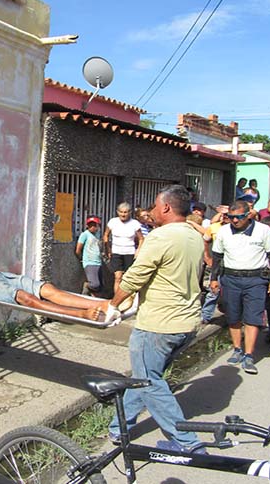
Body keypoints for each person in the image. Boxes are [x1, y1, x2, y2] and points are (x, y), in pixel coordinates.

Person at [106, 185, 206, 454]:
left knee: (148, 380)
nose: (150, 211)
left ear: (165, 208)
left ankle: (187, 442)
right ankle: (119, 427)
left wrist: (113, 305)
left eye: (153, 205)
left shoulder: (161, 237)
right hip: (186, 322)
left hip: (159, 325)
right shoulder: (195, 236)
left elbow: (135, 276)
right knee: (144, 376)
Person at [210, 200, 270, 375]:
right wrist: (213, 278)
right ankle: (237, 349)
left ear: (249, 215)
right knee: (233, 316)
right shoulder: (224, 231)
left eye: (239, 217)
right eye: (231, 217)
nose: (234, 221)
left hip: (255, 279)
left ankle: (249, 355)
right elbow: (217, 256)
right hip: (231, 278)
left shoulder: (263, 231)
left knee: (253, 317)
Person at [103, 202, 144, 294]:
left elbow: (141, 239)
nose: (123, 214)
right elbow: (105, 235)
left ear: (129, 212)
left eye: (125, 212)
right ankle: (116, 300)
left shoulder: (134, 223)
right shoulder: (113, 222)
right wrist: (108, 249)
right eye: (121, 212)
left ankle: (129, 299)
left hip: (129, 253)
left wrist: (138, 251)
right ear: (117, 212)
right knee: (118, 277)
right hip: (116, 252)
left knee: (128, 277)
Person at [201, 206, 229, 323]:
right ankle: (205, 316)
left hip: (233, 266)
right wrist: (207, 256)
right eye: (224, 215)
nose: (226, 217)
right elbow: (205, 241)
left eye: (228, 215)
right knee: (213, 291)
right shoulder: (213, 228)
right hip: (218, 265)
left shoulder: (237, 229)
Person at [76, 216, 104, 297]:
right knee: (95, 284)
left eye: (95, 225)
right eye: (90, 225)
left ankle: (92, 299)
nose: (92, 227)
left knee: (100, 286)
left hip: (98, 262)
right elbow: (78, 250)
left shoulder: (98, 235)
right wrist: (82, 259)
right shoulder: (84, 235)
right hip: (89, 262)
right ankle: (87, 285)